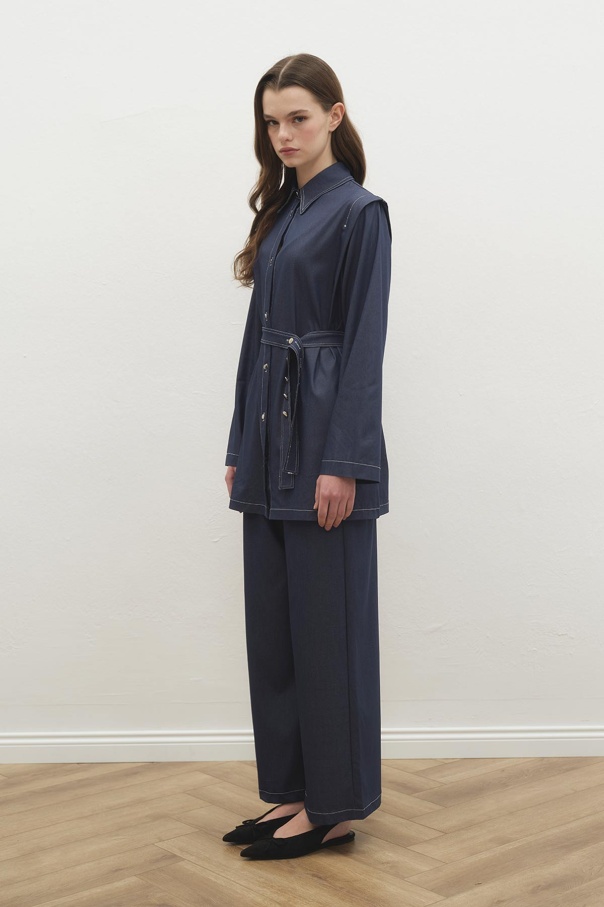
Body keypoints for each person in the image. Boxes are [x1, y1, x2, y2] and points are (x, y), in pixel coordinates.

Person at [222, 53, 392, 861]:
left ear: (334, 115)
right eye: (272, 121)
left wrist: (345, 462)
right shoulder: (284, 212)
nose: (283, 134)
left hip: (324, 446)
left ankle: (337, 806)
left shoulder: (359, 213)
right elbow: (257, 339)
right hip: (268, 447)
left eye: (297, 117)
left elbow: (364, 344)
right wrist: (238, 443)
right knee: (276, 633)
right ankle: (293, 793)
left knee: (329, 633)